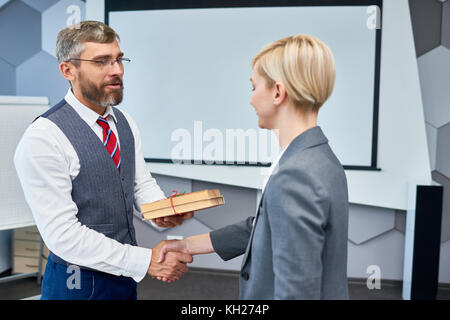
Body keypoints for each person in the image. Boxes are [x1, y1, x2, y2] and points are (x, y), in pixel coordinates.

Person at [156, 34, 349, 299]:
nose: (251, 100)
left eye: (254, 87)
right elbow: (263, 226)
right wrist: (187, 244)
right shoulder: (320, 158)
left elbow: (296, 291)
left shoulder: (295, 175)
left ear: (278, 93)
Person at [13, 21, 193, 300]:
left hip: (122, 278)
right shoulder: (43, 137)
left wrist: (162, 213)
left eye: (119, 59)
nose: (117, 70)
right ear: (67, 70)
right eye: (101, 62)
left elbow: (138, 184)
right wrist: (145, 260)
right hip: (76, 285)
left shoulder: (124, 122)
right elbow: (63, 236)